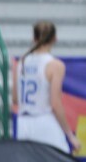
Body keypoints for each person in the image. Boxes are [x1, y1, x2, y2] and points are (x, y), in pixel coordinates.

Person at [13, 22, 77, 153]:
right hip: (44, 121)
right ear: (54, 39)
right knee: (61, 161)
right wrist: (70, 135)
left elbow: (15, 99)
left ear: (34, 38)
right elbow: (55, 104)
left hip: (23, 123)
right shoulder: (55, 65)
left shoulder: (21, 62)